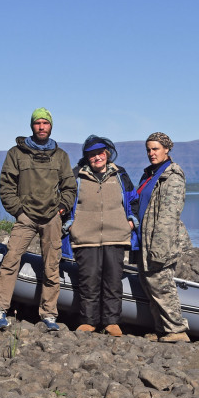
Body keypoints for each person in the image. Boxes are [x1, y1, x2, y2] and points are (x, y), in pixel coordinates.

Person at [0, 108, 77, 331]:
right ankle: (0, 309)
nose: (41, 127)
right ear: (32, 126)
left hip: (52, 218)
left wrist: (61, 209)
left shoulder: (61, 156)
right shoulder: (16, 153)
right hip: (25, 217)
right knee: (10, 260)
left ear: (51, 126)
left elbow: (69, 187)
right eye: (37, 123)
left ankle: (49, 314)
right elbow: (6, 185)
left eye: (45, 123)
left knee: (52, 266)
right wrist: (18, 211)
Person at [61, 135, 139, 337]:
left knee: (113, 280)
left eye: (100, 153)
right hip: (85, 236)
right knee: (89, 280)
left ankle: (112, 322)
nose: (97, 157)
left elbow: (133, 199)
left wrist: (131, 221)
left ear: (107, 154)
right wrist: (69, 224)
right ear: (87, 157)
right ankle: (88, 321)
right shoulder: (77, 175)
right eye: (92, 154)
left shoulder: (120, 175)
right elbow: (66, 200)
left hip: (116, 235)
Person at [136, 132, 191, 343]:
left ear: (166, 149)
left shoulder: (172, 176)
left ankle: (177, 329)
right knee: (149, 283)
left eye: (155, 149)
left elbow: (169, 215)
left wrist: (159, 249)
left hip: (161, 241)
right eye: (148, 149)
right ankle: (162, 329)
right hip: (145, 238)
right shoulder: (150, 174)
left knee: (162, 284)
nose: (151, 153)